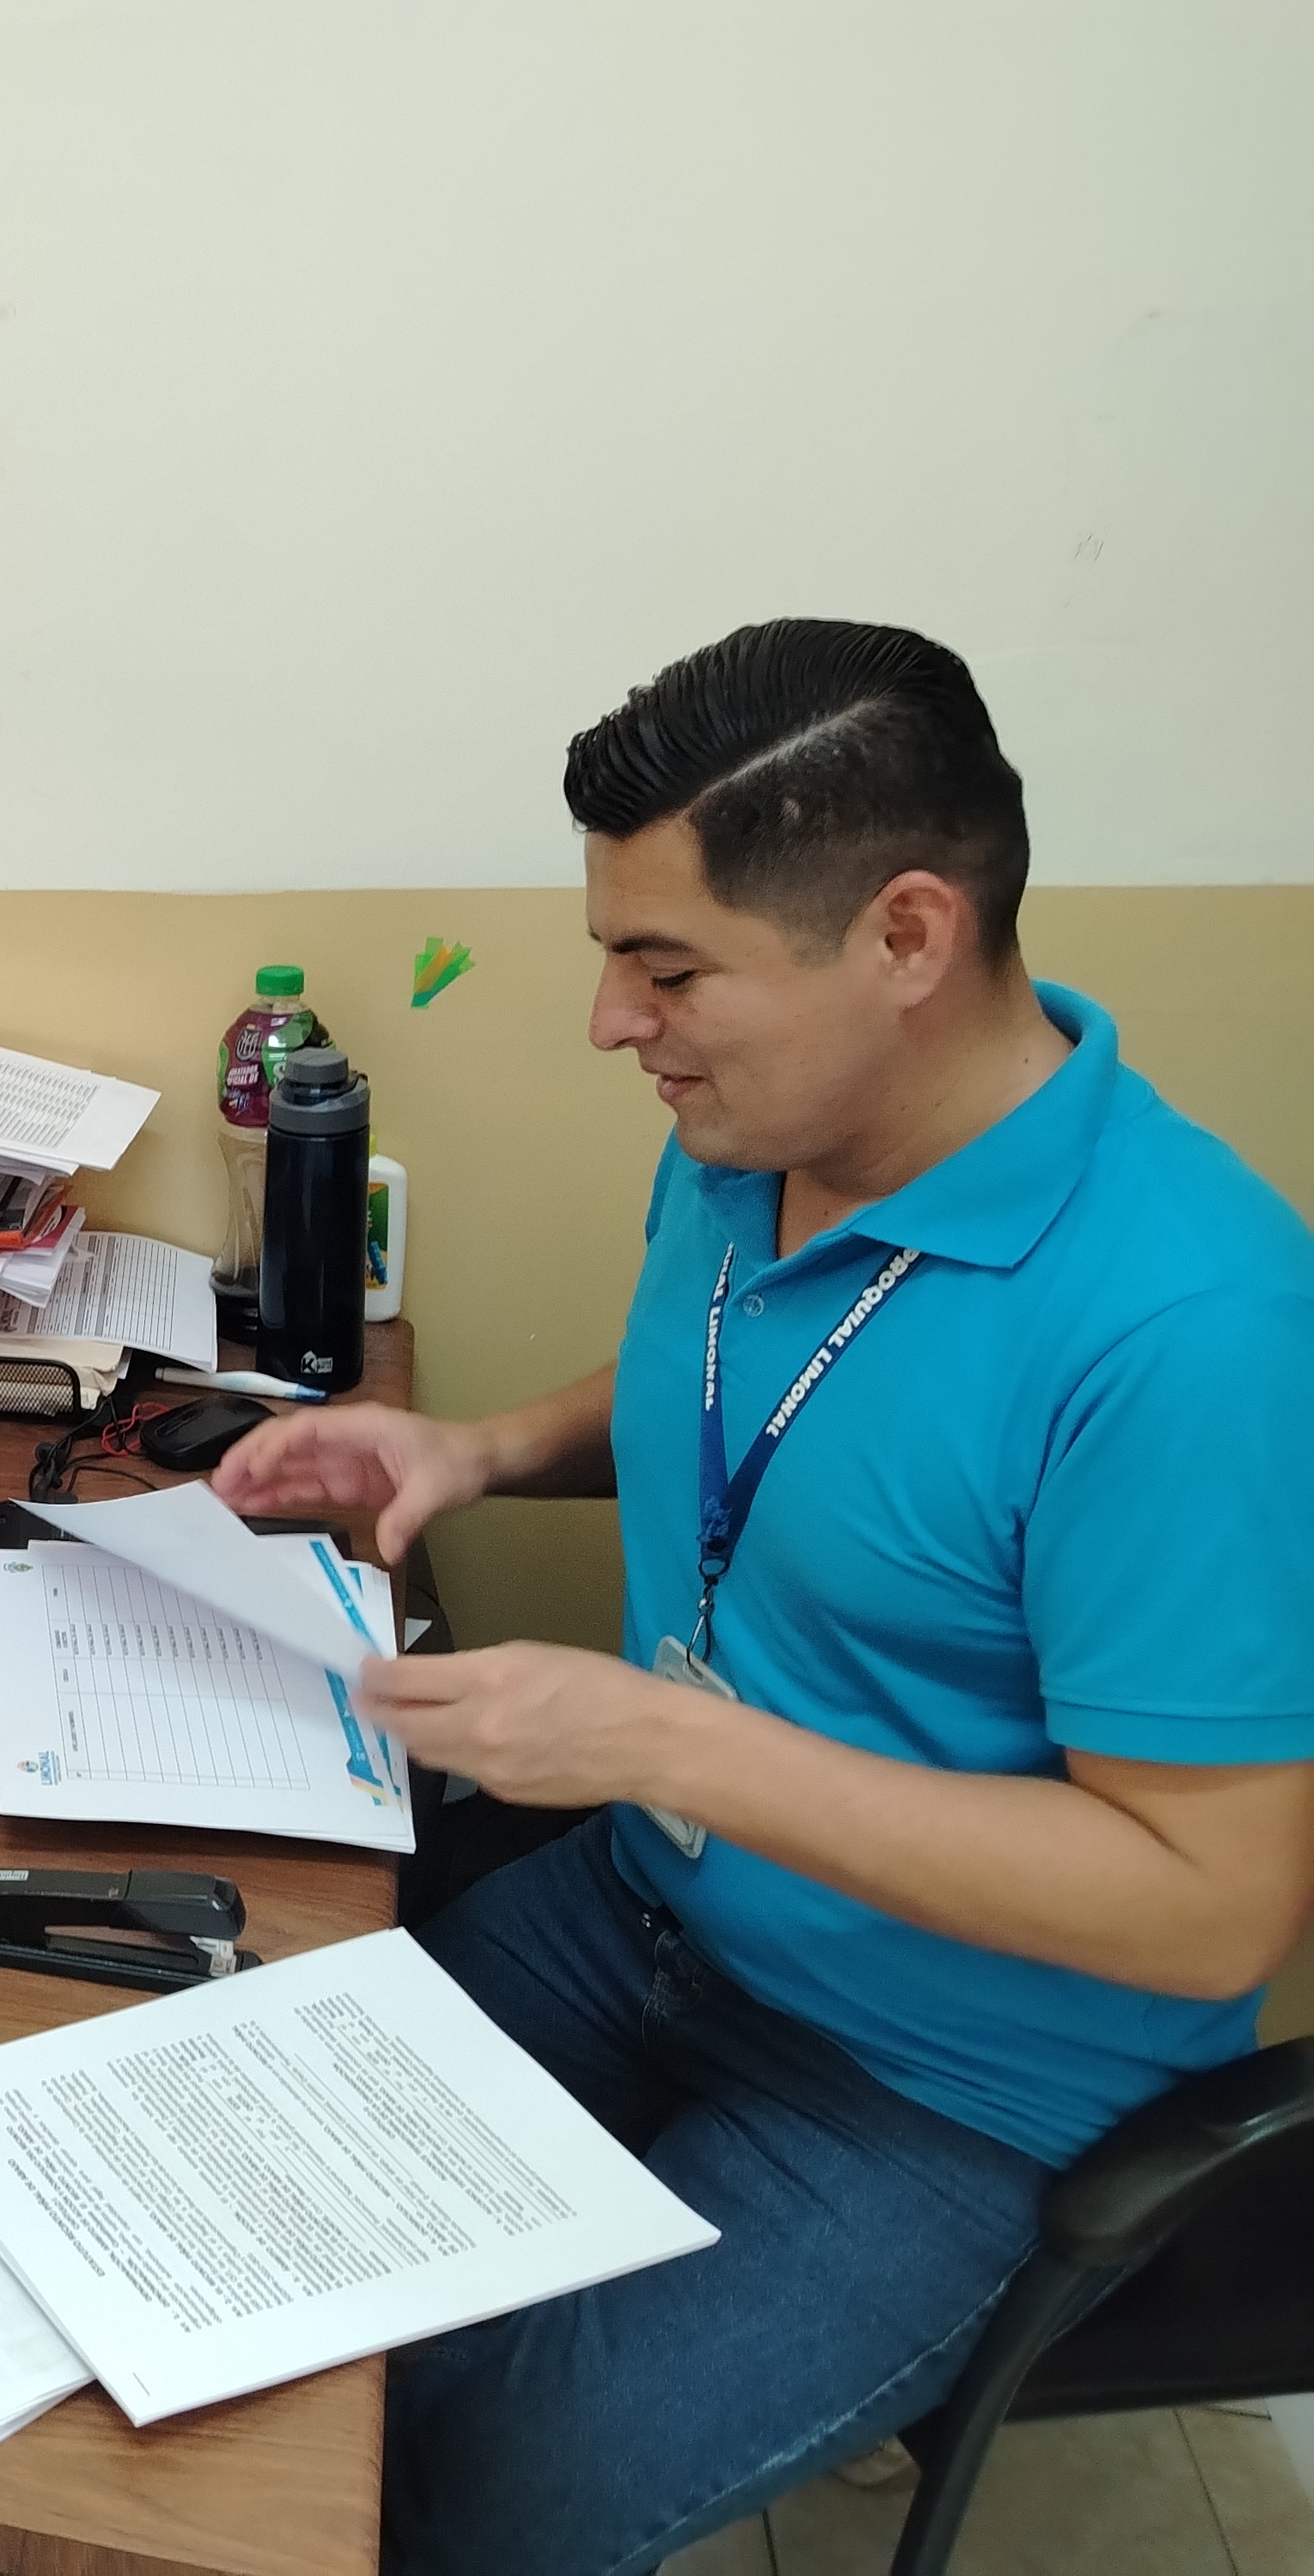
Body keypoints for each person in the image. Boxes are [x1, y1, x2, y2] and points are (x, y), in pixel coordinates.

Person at [213, 619, 1314, 2575]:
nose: (610, 1023)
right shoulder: (755, 1139)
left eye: (668, 968)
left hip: (943, 2086)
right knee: (250, 2236)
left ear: (906, 935)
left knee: (456, 2494)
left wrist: (664, 1741)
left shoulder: (1189, 1326)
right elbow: (733, 1399)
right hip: (648, 1912)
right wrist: (474, 1447)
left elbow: (1208, 1903)